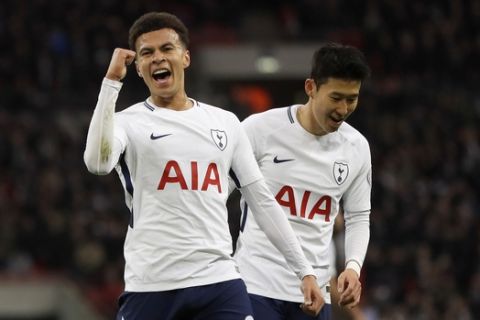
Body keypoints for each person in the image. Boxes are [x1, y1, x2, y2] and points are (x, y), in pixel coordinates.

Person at [83, 11, 323, 320]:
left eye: (166, 49)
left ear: (185, 57)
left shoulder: (225, 123)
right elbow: (97, 163)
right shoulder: (127, 123)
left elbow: (262, 201)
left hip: (218, 281)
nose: (157, 58)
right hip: (152, 283)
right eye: (147, 53)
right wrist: (111, 82)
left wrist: (304, 270)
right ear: (139, 69)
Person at [231, 42, 372, 320]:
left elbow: (358, 217)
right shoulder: (259, 130)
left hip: (316, 296)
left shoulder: (356, 147)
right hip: (256, 286)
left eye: (352, 99)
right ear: (311, 88)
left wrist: (353, 267)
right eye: (336, 97)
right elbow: (216, 194)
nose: (343, 109)